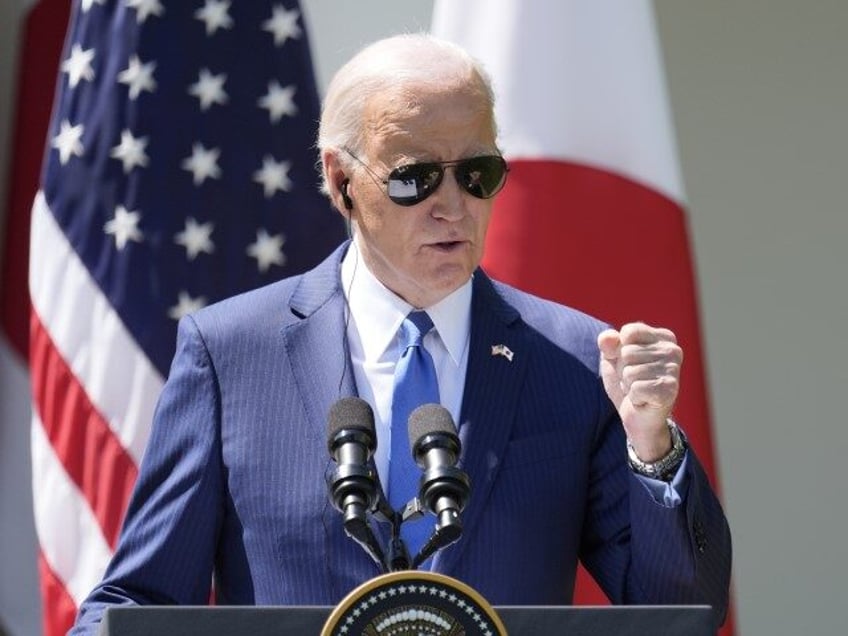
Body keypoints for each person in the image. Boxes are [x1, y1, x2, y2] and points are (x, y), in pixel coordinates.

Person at [71, 33, 731, 633]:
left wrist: (653, 449)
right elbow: (138, 604)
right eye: (416, 178)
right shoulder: (231, 355)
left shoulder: (572, 360)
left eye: (478, 175)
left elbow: (683, 607)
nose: (454, 205)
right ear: (341, 182)